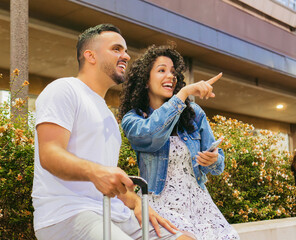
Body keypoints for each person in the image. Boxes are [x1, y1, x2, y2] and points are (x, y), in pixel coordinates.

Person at [32, 24, 195, 240]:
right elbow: (50, 154)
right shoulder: (64, 89)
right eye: (116, 49)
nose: (126, 56)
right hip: (68, 213)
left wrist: (136, 202)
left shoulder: (108, 114)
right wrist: (94, 172)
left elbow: (108, 179)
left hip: (115, 213)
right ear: (90, 56)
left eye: (125, 51)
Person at [120, 45, 240, 240]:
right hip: (159, 204)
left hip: (200, 205)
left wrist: (213, 160)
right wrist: (183, 95)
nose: (170, 76)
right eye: (161, 70)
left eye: (173, 72)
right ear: (145, 81)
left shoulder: (195, 114)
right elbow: (152, 137)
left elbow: (218, 166)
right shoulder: (133, 119)